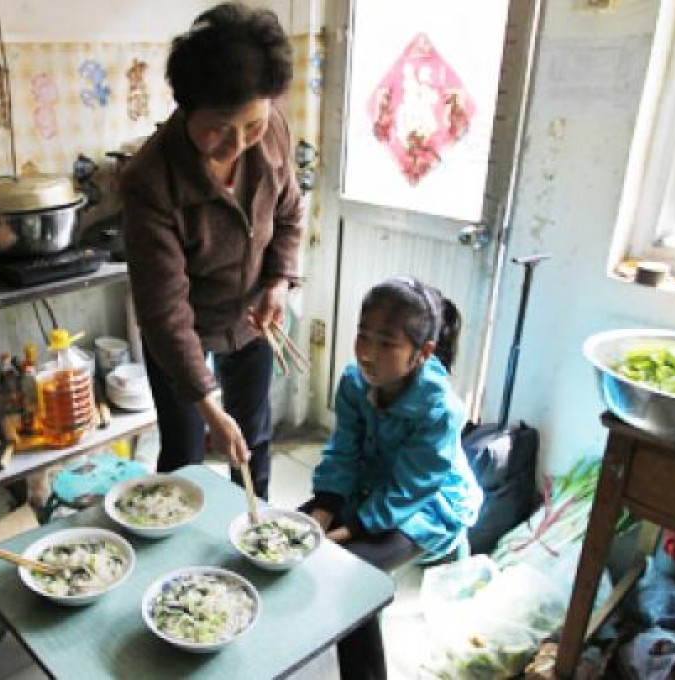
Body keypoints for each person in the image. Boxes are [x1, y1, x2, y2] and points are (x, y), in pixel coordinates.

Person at [121, 2, 303, 499]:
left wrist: (277, 282)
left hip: (251, 316)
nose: (237, 143)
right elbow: (164, 312)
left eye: (253, 125)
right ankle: (178, 555)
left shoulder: (275, 132)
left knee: (255, 436)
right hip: (182, 328)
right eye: (219, 126)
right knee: (185, 450)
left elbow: (289, 213)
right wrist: (207, 404)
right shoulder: (149, 181)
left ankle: (257, 530)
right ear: (186, 106)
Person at [301, 276, 483, 680]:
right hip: (372, 484)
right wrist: (320, 517)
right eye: (363, 336)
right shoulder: (354, 382)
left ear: (422, 353)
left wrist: (336, 537)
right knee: (286, 535)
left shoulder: (440, 410)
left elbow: (410, 491)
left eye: (386, 344)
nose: (367, 354)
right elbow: (343, 452)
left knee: (349, 578)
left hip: (429, 504)